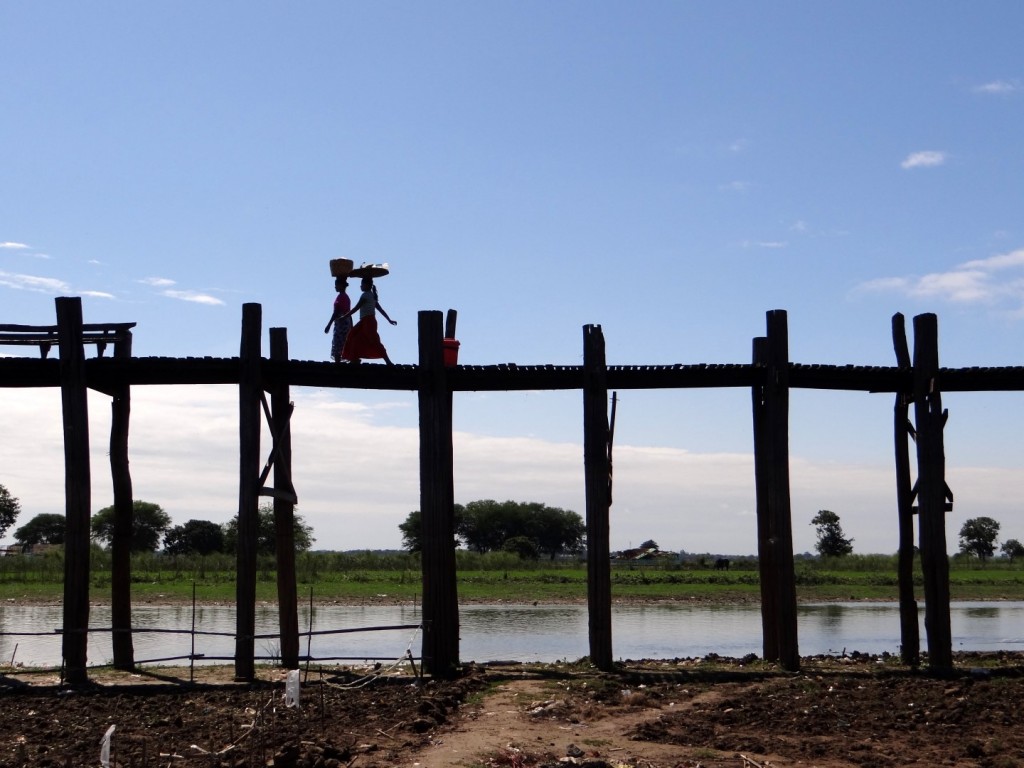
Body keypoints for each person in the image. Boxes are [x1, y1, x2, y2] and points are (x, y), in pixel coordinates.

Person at [339, 276, 398, 365]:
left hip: (369, 322)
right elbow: (381, 310)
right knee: (354, 336)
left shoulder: (366, 296)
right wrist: (389, 320)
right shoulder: (371, 296)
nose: (361, 286)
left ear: (367, 285)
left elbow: (356, 308)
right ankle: (354, 359)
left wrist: (344, 317)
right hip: (364, 321)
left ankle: (388, 361)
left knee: (373, 341)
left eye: (362, 284)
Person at [324, 276, 353, 363]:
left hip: (341, 322)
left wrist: (328, 325)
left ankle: (338, 365)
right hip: (346, 322)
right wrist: (351, 325)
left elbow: (336, 312)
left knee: (338, 344)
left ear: (341, 285)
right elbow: (349, 312)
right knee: (344, 342)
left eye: (336, 285)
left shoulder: (340, 297)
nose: (335, 287)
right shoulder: (346, 297)